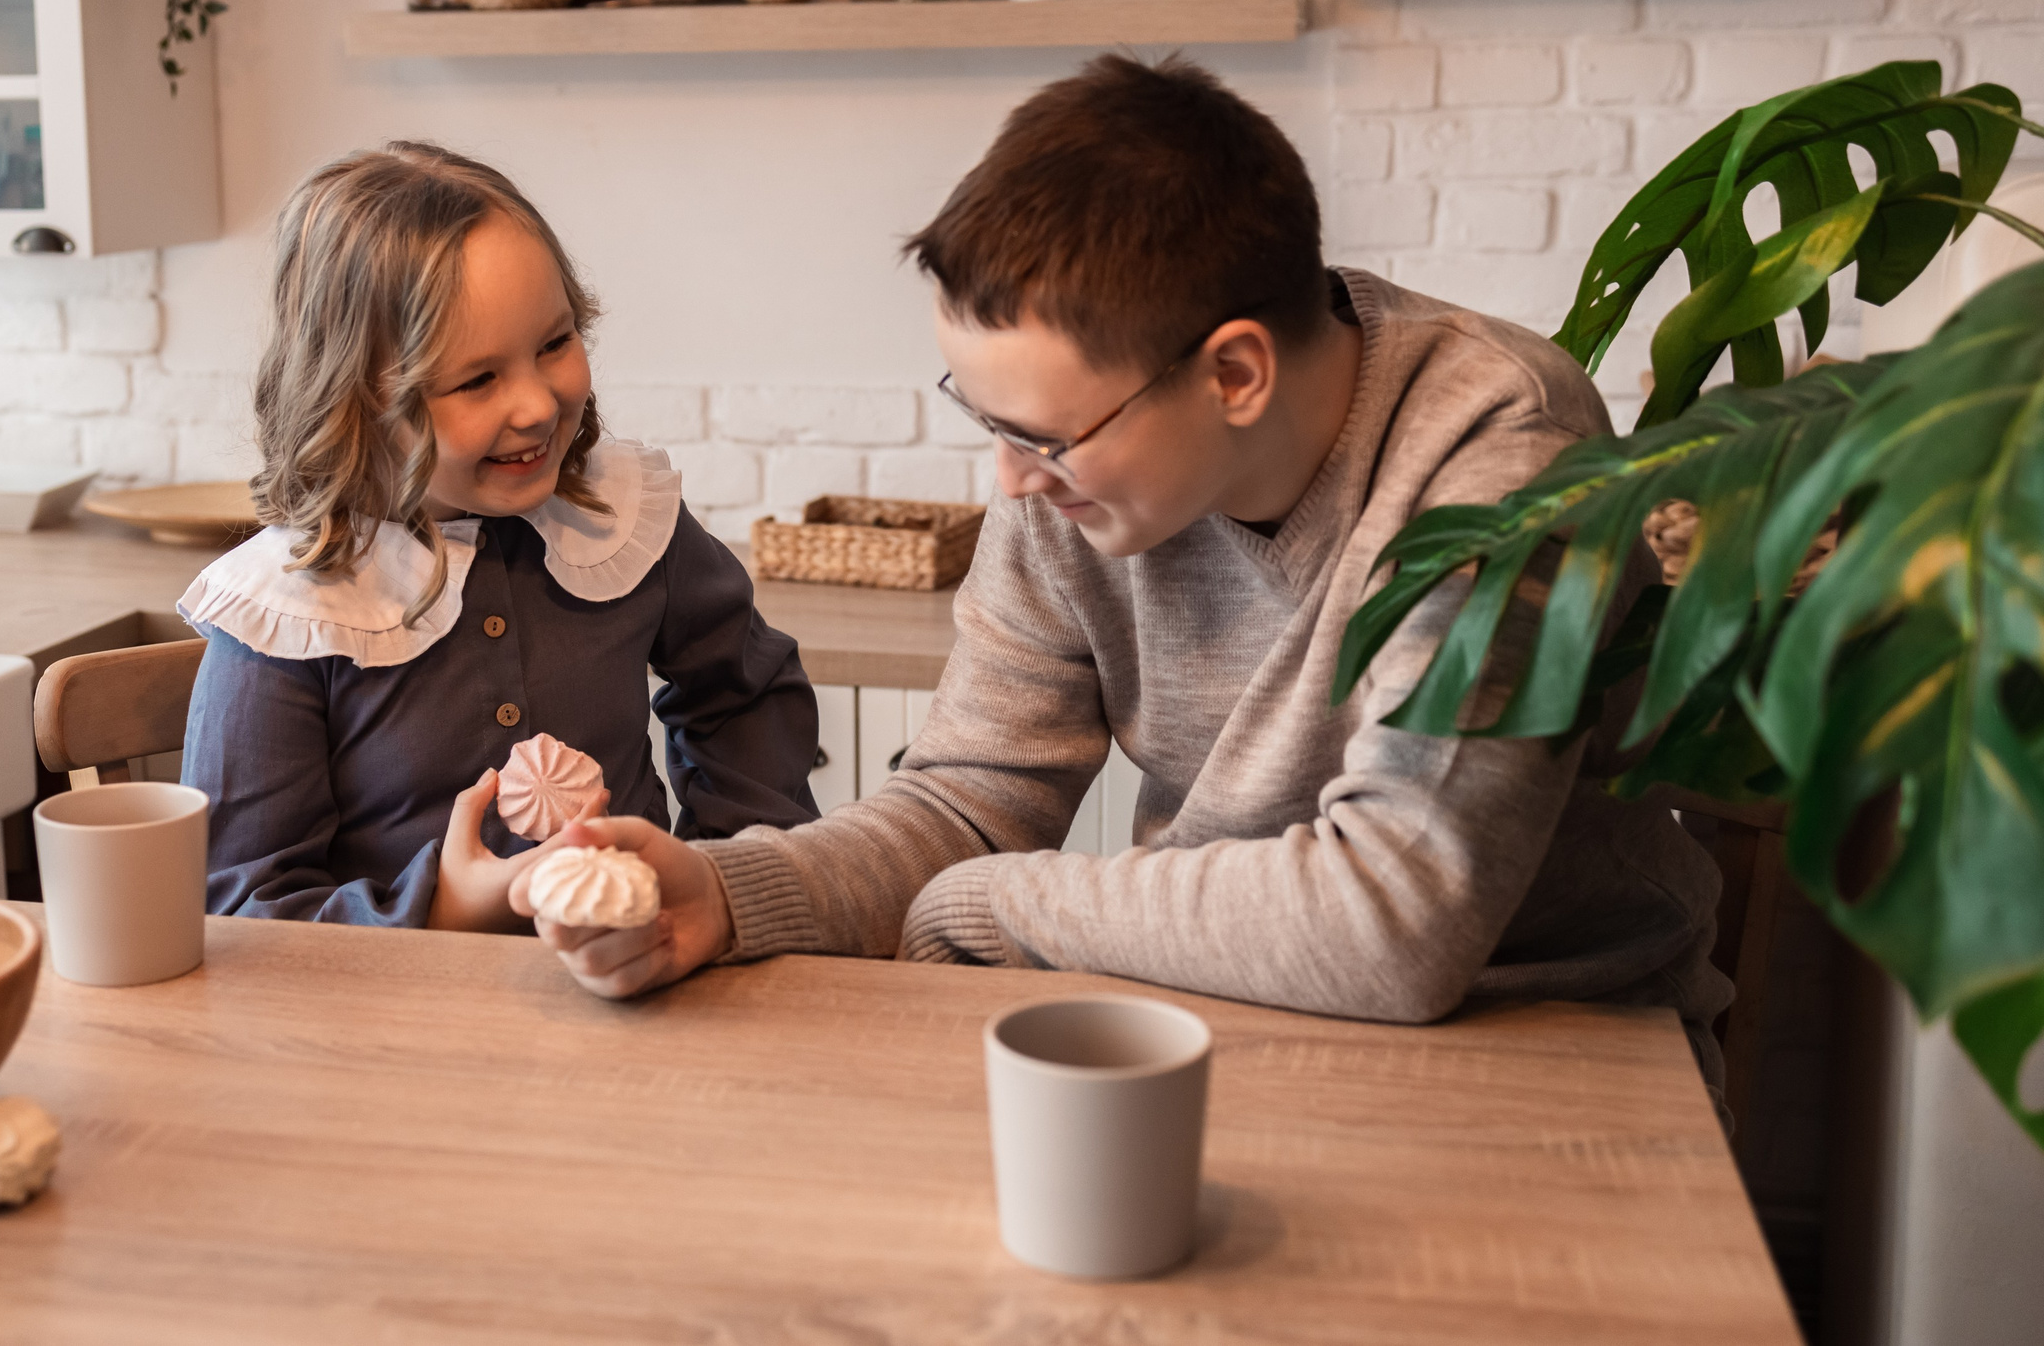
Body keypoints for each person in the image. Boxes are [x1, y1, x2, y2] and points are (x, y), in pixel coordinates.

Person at [519, 55, 1730, 1084]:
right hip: (1217, 1025)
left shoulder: (1496, 453)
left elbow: (1393, 923)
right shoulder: (1072, 472)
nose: (1010, 483)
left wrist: (986, 907)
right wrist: (727, 897)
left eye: (1042, 438)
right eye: (987, 421)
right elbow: (965, 806)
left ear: (1235, 374)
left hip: (1553, 1055)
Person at [178, 141, 820, 930]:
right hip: (398, 1031)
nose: (538, 404)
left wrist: (725, 871)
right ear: (353, 400)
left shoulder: (620, 516)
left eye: (555, 343)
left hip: (642, 984)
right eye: (478, 380)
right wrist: (440, 907)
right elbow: (242, 907)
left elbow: (742, 691)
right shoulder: (285, 615)